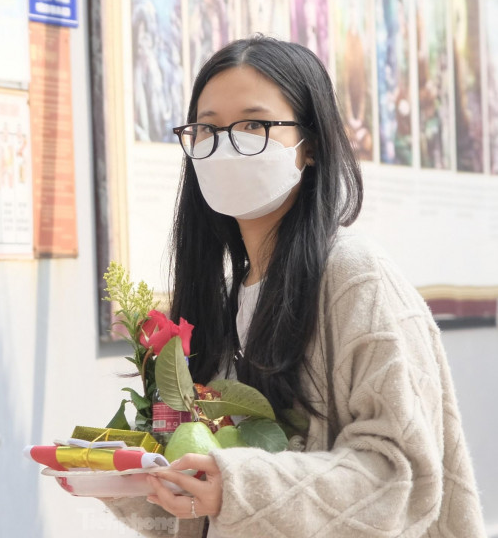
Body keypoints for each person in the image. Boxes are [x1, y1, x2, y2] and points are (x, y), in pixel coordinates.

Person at [103, 36, 485, 537]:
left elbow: (401, 477)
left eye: (254, 125)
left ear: (312, 145)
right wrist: (129, 480)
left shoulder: (357, 277)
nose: (226, 146)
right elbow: (211, 506)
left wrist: (237, 486)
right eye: (208, 128)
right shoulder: (222, 295)